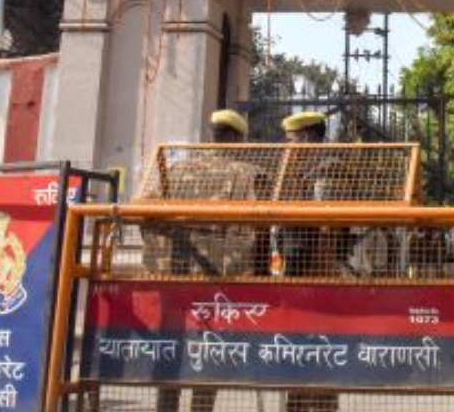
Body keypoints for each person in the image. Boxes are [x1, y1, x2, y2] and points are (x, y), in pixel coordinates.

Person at [134, 109, 257, 412]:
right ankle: (201, 408)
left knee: (171, 345)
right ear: (238, 138)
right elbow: (256, 229)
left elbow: (142, 212)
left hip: (173, 276)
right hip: (218, 280)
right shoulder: (245, 173)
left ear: (211, 135)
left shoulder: (175, 169)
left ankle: (166, 406)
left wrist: (159, 257)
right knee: (209, 349)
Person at [274, 110, 342, 412]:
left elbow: (321, 218)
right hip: (296, 272)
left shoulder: (328, 169)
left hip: (319, 272)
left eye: (292, 139)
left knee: (321, 349)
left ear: (308, 138)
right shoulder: (294, 169)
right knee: (297, 349)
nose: (288, 146)